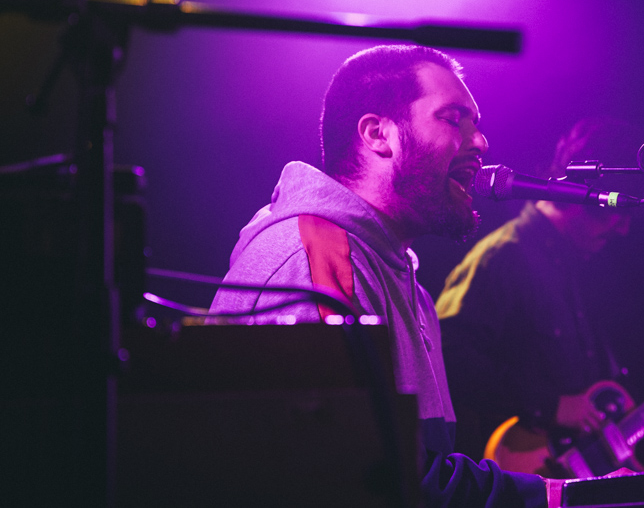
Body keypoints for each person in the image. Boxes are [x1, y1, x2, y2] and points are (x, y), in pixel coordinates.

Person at [210, 45, 556, 506]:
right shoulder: (318, 256)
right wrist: (547, 498)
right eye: (454, 118)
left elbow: (410, 469)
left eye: (477, 123)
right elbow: (349, 476)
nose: (480, 143)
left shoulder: (402, 282)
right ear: (378, 134)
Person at [435, 117, 644, 474]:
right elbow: (447, 355)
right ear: (584, 198)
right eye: (618, 214)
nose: (623, 230)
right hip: (518, 472)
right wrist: (549, 406)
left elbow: (597, 411)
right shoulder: (504, 256)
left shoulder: (576, 263)